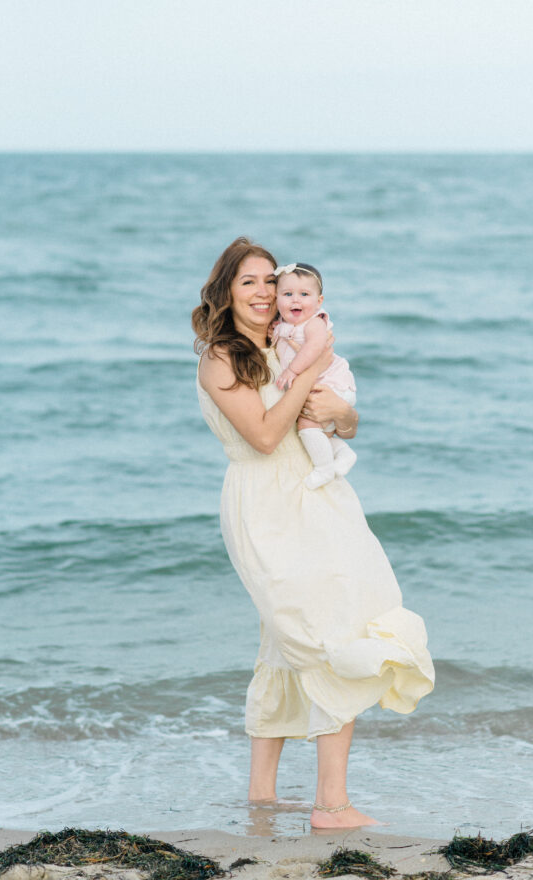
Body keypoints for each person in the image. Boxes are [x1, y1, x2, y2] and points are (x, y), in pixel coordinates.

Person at [192, 237, 434, 829]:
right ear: (226, 290)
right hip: (264, 503)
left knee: (294, 636)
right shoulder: (222, 357)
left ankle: (263, 795)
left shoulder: (288, 342)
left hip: (321, 497)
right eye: (247, 282)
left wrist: (336, 405)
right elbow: (267, 436)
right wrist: (312, 372)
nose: (263, 293)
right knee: (321, 634)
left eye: (269, 282)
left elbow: (343, 423)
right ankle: (331, 805)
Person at [272, 261, 357, 489]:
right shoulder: (284, 324)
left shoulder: (314, 323)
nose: (295, 300)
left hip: (331, 384)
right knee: (319, 432)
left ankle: (324, 469)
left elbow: (315, 348)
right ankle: (343, 453)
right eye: (287, 294)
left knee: (307, 424)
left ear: (319, 301)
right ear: (276, 298)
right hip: (321, 384)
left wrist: (292, 370)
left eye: (304, 294)